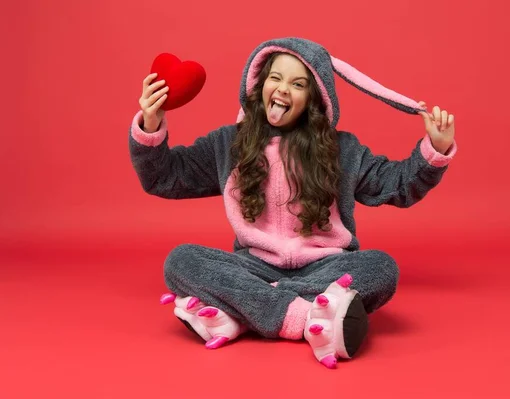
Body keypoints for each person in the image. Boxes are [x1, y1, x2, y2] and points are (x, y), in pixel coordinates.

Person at [128, 37, 457, 369]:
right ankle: (302, 317)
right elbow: (166, 177)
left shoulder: (342, 149)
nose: (283, 89)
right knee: (181, 261)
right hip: (252, 266)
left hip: (325, 267)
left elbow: (396, 186)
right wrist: (151, 123)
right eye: (276, 77)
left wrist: (434, 150)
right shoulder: (229, 144)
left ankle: (244, 310)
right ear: (259, 84)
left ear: (314, 98)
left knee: (381, 268)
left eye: (297, 84)